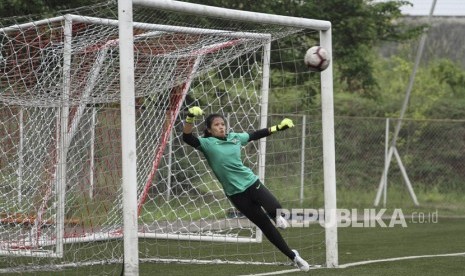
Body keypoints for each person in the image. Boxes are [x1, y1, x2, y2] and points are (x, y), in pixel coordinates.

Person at [182, 106, 310, 272]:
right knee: (265, 226)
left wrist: (278, 127)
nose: (221, 127)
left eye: (222, 124)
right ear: (209, 130)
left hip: (251, 183)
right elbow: (186, 137)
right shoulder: (206, 144)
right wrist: (190, 117)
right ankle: (293, 256)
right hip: (236, 195)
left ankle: (277, 218)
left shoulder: (235, 138)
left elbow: (255, 134)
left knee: (276, 211)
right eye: (216, 125)